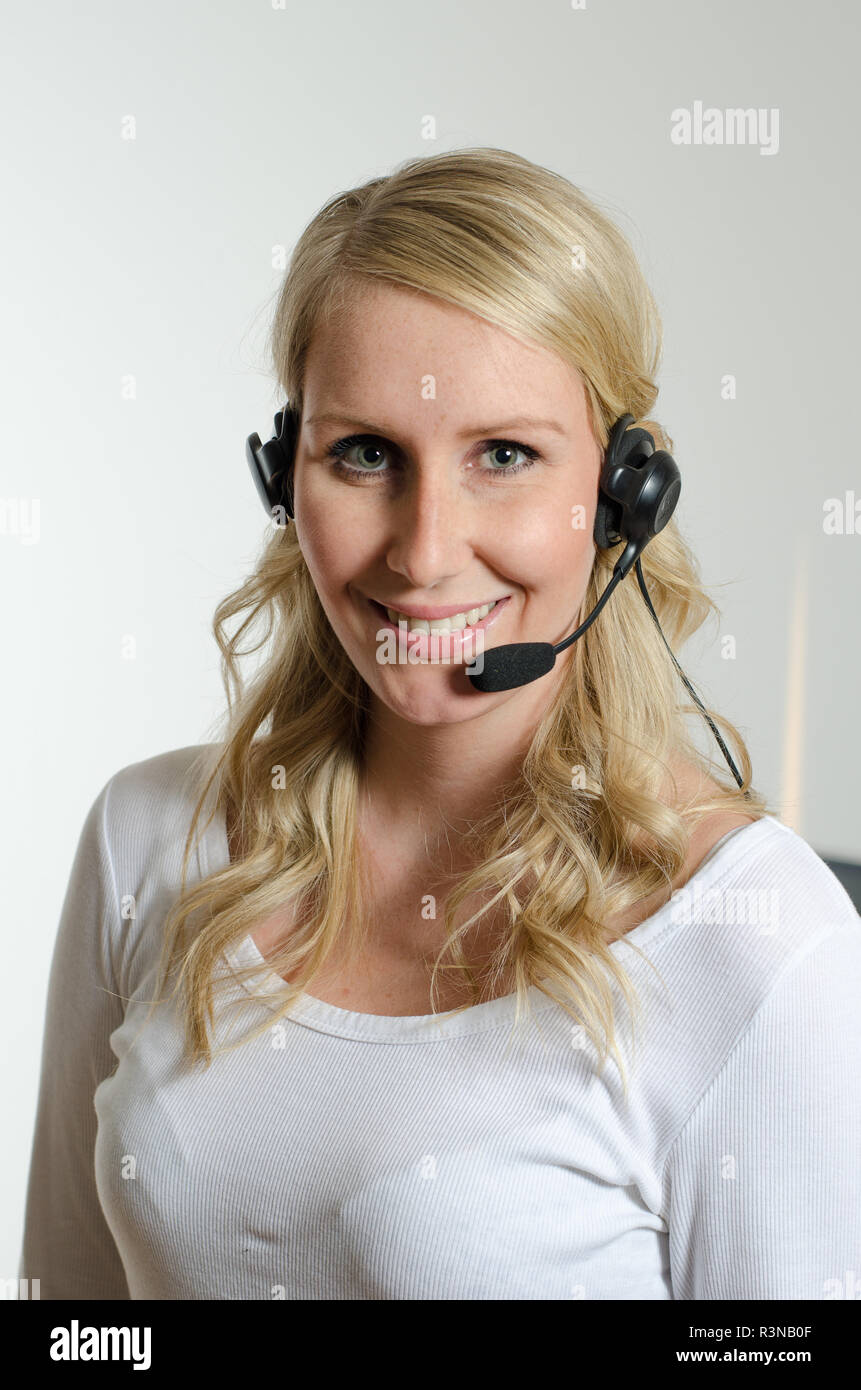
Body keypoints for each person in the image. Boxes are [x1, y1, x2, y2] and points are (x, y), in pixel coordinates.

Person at [19, 147, 861, 1301]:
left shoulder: (756, 945)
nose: (422, 553)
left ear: (621, 494)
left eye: (504, 456)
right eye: (365, 454)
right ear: (286, 473)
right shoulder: (150, 837)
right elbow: (73, 1320)